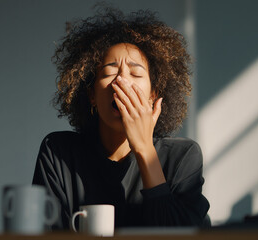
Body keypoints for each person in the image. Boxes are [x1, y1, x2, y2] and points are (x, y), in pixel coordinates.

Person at [32, 7, 210, 230]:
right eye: (109, 72)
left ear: (153, 95)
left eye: (135, 74)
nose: (122, 82)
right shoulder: (58, 153)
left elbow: (176, 233)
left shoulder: (182, 157)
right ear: (91, 95)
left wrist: (144, 148)